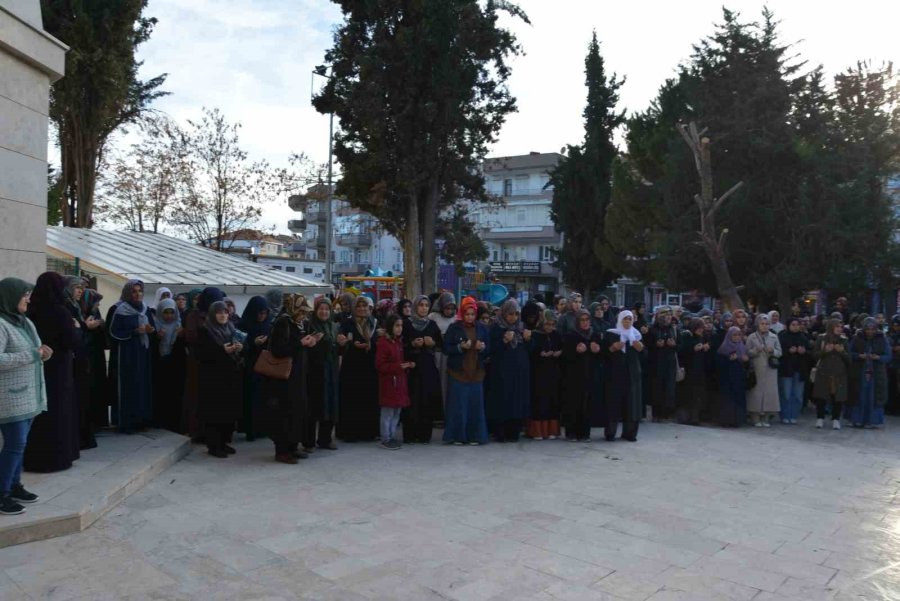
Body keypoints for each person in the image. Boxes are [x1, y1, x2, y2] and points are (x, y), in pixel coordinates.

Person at [0, 278, 50, 515]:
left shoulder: (24, 322)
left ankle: (14, 485)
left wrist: (43, 353)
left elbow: (34, 351)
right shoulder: (1, 324)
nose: (28, 300)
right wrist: (32, 354)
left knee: (19, 444)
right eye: (25, 295)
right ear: (10, 297)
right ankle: (2, 494)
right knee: (15, 444)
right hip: (9, 397)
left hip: (29, 394)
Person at [23, 272, 80, 473]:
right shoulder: (60, 312)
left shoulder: (30, 310)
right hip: (59, 368)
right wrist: (76, 327)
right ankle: (57, 458)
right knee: (59, 411)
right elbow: (72, 341)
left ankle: (34, 458)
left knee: (39, 412)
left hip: (36, 366)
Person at [260, 294, 317, 464]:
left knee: (297, 411)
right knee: (284, 413)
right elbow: (278, 350)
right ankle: (282, 451)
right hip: (284, 378)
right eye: (301, 312)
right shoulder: (282, 322)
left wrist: (310, 342)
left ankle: (292, 446)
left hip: (298, 375)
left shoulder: (299, 323)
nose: (304, 315)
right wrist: (301, 343)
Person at [195, 301, 242, 457]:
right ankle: (214, 446)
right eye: (219, 313)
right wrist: (222, 350)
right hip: (213, 379)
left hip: (229, 376)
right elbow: (202, 354)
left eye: (225, 312)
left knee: (227, 412)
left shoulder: (231, 328)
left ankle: (223, 442)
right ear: (213, 314)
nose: (223, 315)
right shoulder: (205, 330)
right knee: (215, 413)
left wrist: (239, 348)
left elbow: (239, 349)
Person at [109, 280, 155, 433]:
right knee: (128, 386)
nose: (138, 294)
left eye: (140, 291)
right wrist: (134, 332)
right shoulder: (119, 309)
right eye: (134, 291)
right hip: (127, 354)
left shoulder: (145, 309)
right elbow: (113, 332)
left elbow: (152, 328)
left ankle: (141, 420)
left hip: (142, 353)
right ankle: (126, 422)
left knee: (142, 385)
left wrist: (150, 330)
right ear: (128, 293)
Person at [442, 297, 489, 445]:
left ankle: (475, 436)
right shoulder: (454, 328)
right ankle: (458, 436)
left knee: (475, 407)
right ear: (462, 313)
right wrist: (460, 347)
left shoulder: (482, 328)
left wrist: (483, 348)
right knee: (459, 406)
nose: (470, 317)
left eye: (472, 314)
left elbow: (490, 349)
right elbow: (446, 348)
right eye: (467, 314)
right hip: (459, 373)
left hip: (476, 373)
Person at [486, 299, 531, 442]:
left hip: (519, 373)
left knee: (517, 401)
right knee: (502, 401)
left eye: (516, 314)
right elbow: (490, 350)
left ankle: (514, 431)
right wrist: (504, 341)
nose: (514, 317)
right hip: (502, 372)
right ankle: (501, 432)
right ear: (504, 313)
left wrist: (528, 340)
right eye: (510, 314)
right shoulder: (496, 327)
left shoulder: (521, 327)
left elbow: (529, 350)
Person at [338, 296, 380, 442]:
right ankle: (350, 432)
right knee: (352, 399)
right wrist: (350, 344)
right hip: (352, 367)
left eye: (364, 306)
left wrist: (372, 344)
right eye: (359, 306)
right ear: (354, 308)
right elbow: (341, 341)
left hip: (369, 367)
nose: (362, 309)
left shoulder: (375, 323)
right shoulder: (347, 323)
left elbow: (380, 343)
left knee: (368, 398)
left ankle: (368, 432)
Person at [63, 277, 98, 449]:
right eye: (76, 287)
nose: (80, 291)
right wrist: (84, 327)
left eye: (81, 288)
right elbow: (71, 331)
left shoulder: (74, 305)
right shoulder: (66, 306)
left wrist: (83, 326)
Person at [402, 295, 443, 444]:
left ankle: (424, 435)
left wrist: (432, 343)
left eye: (426, 305)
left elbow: (441, 344)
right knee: (412, 401)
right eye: (421, 305)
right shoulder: (406, 324)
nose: (424, 308)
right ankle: (410, 435)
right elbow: (400, 344)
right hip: (411, 368)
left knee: (427, 400)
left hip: (427, 367)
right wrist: (412, 344)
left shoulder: (432, 325)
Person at [602, 310, 644, 441]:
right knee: (614, 403)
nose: (627, 321)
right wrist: (612, 348)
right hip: (615, 374)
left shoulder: (636, 335)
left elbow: (645, 355)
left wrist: (641, 349)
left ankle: (630, 433)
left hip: (632, 375)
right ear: (620, 320)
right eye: (625, 319)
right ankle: (610, 433)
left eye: (630, 319)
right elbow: (603, 354)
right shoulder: (611, 334)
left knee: (632, 404)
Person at [561, 309, 602, 441]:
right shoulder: (571, 336)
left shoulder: (594, 335)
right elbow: (565, 356)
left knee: (587, 404)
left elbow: (601, 357)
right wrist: (575, 350)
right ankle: (571, 432)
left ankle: (585, 433)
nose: (585, 323)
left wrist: (597, 351)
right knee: (573, 403)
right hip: (574, 376)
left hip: (590, 375)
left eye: (587, 320)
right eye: (582, 320)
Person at [305, 298, 340, 451]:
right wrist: (316, 343)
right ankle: (309, 442)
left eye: (327, 309)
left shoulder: (333, 326)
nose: (324, 312)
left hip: (331, 370)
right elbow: (307, 350)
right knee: (314, 406)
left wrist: (342, 344)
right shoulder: (309, 326)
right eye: (321, 309)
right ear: (316, 310)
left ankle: (325, 439)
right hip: (315, 372)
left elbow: (336, 349)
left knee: (330, 404)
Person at [375, 314, 413, 450]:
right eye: (397, 326)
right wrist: (398, 367)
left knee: (397, 411)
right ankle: (385, 438)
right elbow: (380, 365)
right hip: (389, 382)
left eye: (401, 326)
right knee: (388, 412)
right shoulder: (384, 343)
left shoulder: (397, 342)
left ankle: (391, 435)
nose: (399, 328)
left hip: (399, 382)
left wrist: (407, 365)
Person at [846, 317, 891, 428]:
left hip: (876, 374)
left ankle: (872, 420)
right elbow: (849, 353)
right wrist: (859, 356)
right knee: (858, 395)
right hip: (859, 372)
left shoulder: (882, 339)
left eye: (872, 329)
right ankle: (857, 419)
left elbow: (888, 356)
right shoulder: (857, 338)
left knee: (874, 397)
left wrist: (878, 357)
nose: (870, 331)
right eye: (868, 329)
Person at [238, 296, 272, 441]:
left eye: (264, 313)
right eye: (259, 313)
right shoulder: (243, 324)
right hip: (250, 367)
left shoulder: (269, 324)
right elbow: (239, 346)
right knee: (251, 398)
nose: (262, 316)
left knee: (264, 398)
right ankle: (250, 430)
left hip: (266, 367)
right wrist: (253, 342)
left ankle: (263, 429)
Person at [527, 310, 562, 440]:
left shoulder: (556, 335)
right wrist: (540, 354)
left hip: (553, 372)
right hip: (539, 373)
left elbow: (561, 348)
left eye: (552, 324)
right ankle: (538, 431)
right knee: (539, 400)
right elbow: (531, 352)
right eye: (547, 324)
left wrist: (559, 352)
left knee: (553, 400)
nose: (549, 327)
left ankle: (552, 430)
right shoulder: (536, 335)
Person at [152, 298, 185, 433]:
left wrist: (180, 336)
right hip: (159, 364)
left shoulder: (179, 326)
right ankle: (160, 420)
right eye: (166, 312)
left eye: (172, 312)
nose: (169, 316)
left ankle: (174, 422)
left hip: (175, 366)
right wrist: (156, 337)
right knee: (161, 394)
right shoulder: (155, 326)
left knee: (174, 394)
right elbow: (150, 347)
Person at [812, 319, 850, 430]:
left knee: (837, 397)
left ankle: (836, 419)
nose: (839, 329)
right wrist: (825, 351)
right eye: (837, 326)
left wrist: (842, 352)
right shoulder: (821, 338)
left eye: (841, 326)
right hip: (823, 372)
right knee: (821, 396)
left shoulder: (844, 340)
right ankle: (820, 418)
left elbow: (849, 359)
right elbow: (814, 355)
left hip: (839, 373)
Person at [745, 314, 782, 427]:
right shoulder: (752, 337)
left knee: (769, 393)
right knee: (756, 393)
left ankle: (766, 417)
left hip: (770, 370)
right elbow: (747, 352)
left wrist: (773, 351)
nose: (765, 326)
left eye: (767, 324)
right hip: (757, 368)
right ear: (758, 324)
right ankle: (755, 416)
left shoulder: (774, 337)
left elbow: (780, 352)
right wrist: (756, 350)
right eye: (762, 324)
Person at [79, 288, 108, 431]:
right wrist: (87, 327)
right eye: (96, 302)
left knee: (99, 387)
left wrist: (101, 326)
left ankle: (99, 422)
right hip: (87, 357)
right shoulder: (80, 315)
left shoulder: (95, 313)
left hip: (97, 356)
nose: (98, 305)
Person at [677, 318, 711, 425]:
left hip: (700, 371)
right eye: (698, 328)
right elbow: (682, 353)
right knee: (690, 395)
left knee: (698, 395)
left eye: (702, 328)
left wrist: (706, 348)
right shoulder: (687, 337)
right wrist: (693, 349)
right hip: (690, 371)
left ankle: (695, 418)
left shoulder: (704, 337)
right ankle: (688, 418)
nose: (701, 330)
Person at [646, 306, 678, 421]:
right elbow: (647, 345)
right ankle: (656, 414)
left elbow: (680, 346)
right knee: (657, 388)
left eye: (670, 315)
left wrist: (673, 345)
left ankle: (665, 414)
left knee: (668, 389)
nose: (668, 317)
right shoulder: (652, 329)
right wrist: (656, 345)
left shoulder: (673, 329)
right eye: (666, 315)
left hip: (670, 363)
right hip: (656, 363)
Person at [777, 317, 811, 424]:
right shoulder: (782, 336)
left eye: (797, 325)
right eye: (793, 325)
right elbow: (778, 352)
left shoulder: (803, 337)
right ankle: (785, 415)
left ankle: (794, 415)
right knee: (786, 393)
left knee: (798, 394)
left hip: (800, 370)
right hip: (786, 369)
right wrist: (788, 351)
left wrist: (804, 352)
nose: (796, 327)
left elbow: (810, 353)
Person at [716, 327, 750, 427]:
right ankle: (727, 420)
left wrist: (746, 360)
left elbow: (747, 365)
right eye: (734, 335)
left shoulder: (742, 347)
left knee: (738, 399)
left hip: (739, 378)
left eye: (739, 335)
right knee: (728, 399)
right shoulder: (724, 348)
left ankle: (738, 420)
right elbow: (718, 365)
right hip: (727, 379)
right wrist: (729, 359)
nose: (737, 337)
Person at [429, 292, 458, 405]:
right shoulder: (433, 317)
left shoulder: (456, 319)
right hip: (437, 353)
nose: (449, 311)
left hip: (450, 355)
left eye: (452, 308)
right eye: (447, 308)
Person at [887, 316, 900, 416]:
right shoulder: (889, 335)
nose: (897, 327)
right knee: (891, 387)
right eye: (895, 325)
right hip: (891, 364)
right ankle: (891, 407)